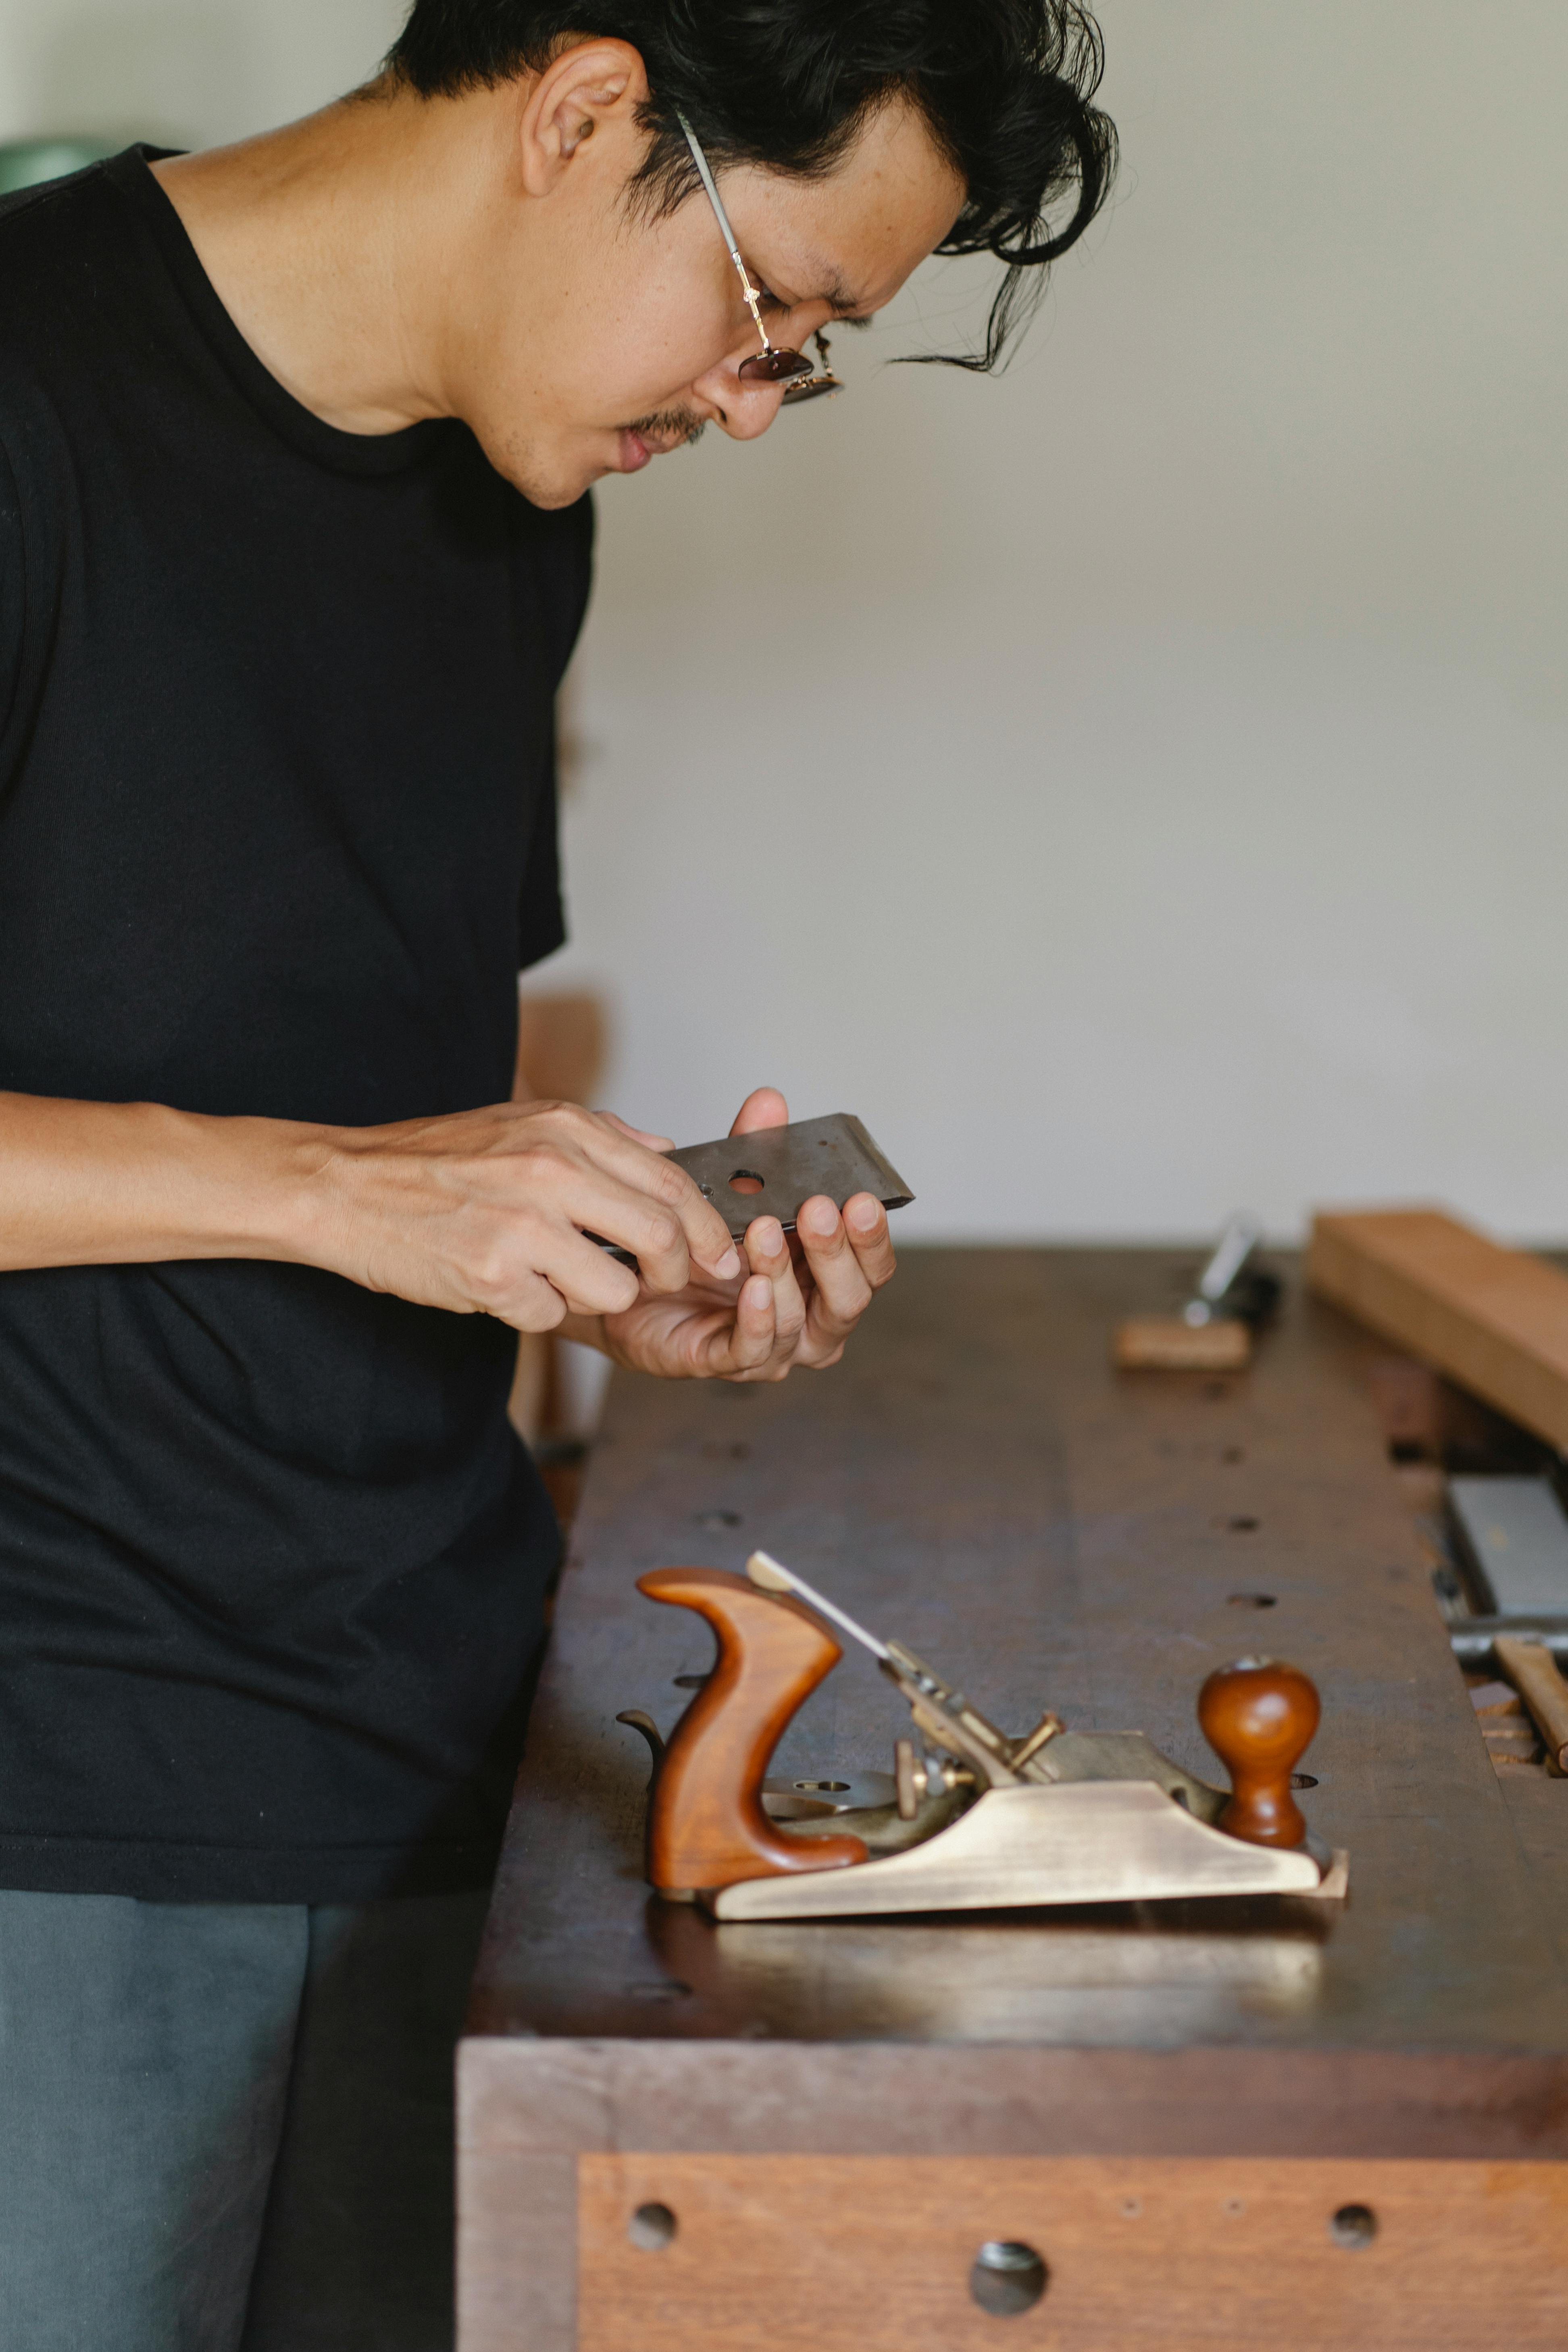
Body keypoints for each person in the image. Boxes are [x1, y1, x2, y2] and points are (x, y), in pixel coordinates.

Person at [0, 2, 1115, 2344]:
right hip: (56, 1805)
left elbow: (382, 1128)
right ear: (587, 106)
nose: (748, 398)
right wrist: (336, 1195)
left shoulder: (507, 506)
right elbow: (331, 1173)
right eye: (772, 304)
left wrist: (601, 1280)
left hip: (433, 1737)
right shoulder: (28, 398)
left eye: (812, 355)